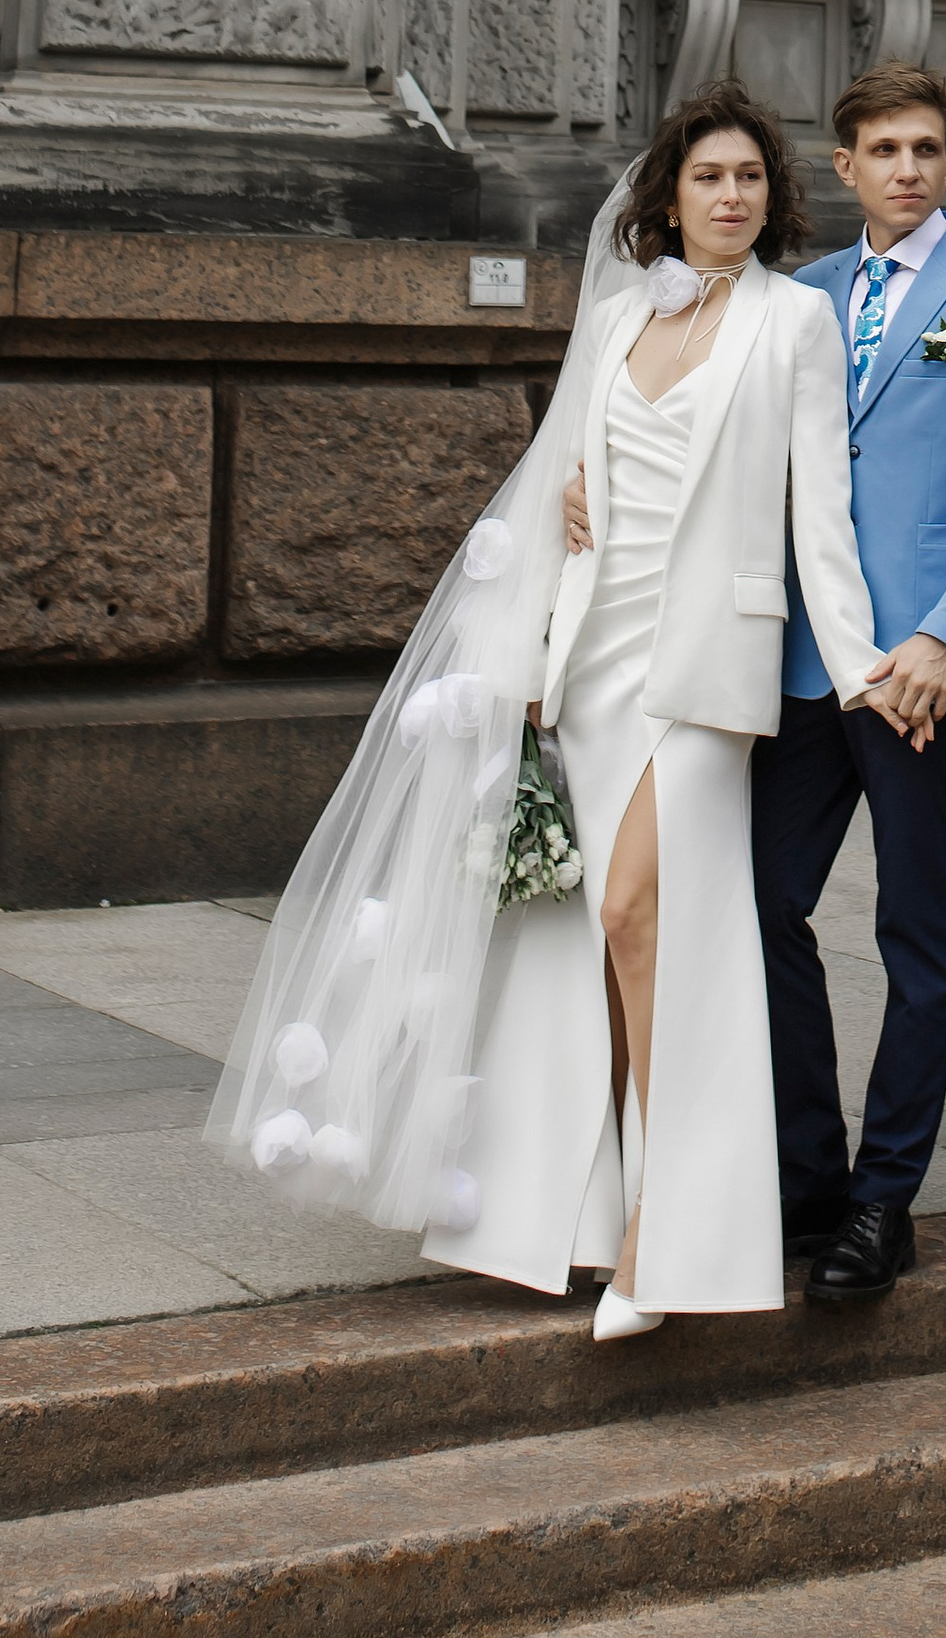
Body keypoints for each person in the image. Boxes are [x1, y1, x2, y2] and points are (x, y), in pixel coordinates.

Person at [209, 82, 894, 1340]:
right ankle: (581, 1215)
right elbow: (567, 483)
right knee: (584, 946)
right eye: (709, 176)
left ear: (773, 196)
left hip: (706, 671)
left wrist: (861, 673)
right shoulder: (623, 312)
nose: (731, 195)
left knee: (635, 912)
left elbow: (822, 519)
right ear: (668, 197)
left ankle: (662, 1234)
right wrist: (533, 642)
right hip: (592, 653)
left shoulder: (798, 321)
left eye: (749, 177)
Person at [752, 62, 946, 1303]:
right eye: (883, 150)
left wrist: (944, 637)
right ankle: (807, 1178)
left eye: (926, 148)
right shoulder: (800, 296)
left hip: (922, 674)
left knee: (914, 929)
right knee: (763, 904)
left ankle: (885, 1199)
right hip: (805, 661)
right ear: (844, 167)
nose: (906, 168)